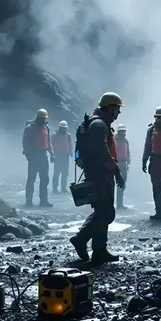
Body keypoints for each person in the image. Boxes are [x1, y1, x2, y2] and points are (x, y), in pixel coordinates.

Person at [69, 92, 126, 265]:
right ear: (110, 108)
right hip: (100, 174)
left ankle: (99, 251)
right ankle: (81, 239)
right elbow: (102, 151)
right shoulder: (100, 125)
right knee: (107, 213)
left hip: (99, 173)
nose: (119, 113)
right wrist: (116, 170)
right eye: (117, 109)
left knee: (101, 211)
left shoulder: (98, 123)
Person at [22, 109, 54, 207]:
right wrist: (28, 155)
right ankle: (29, 201)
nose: (44, 120)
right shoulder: (30, 128)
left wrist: (52, 154)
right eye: (42, 118)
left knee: (45, 179)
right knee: (31, 179)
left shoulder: (46, 127)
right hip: (34, 156)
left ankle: (44, 200)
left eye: (45, 118)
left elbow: (49, 142)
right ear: (38, 118)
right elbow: (25, 142)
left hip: (44, 156)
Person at [51, 120, 72, 194]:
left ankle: (63, 188)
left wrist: (70, 152)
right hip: (58, 156)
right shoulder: (55, 135)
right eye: (63, 128)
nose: (64, 130)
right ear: (60, 128)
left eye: (65, 128)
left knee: (65, 173)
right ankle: (54, 188)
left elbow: (70, 144)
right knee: (56, 173)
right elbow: (51, 145)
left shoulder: (68, 135)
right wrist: (52, 154)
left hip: (65, 156)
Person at [114, 124, 131, 209]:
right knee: (118, 184)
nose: (123, 133)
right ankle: (118, 204)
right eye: (121, 131)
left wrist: (128, 160)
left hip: (123, 164)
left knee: (123, 184)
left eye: (124, 131)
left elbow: (127, 151)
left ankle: (120, 203)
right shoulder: (114, 140)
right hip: (116, 164)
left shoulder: (125, 141)